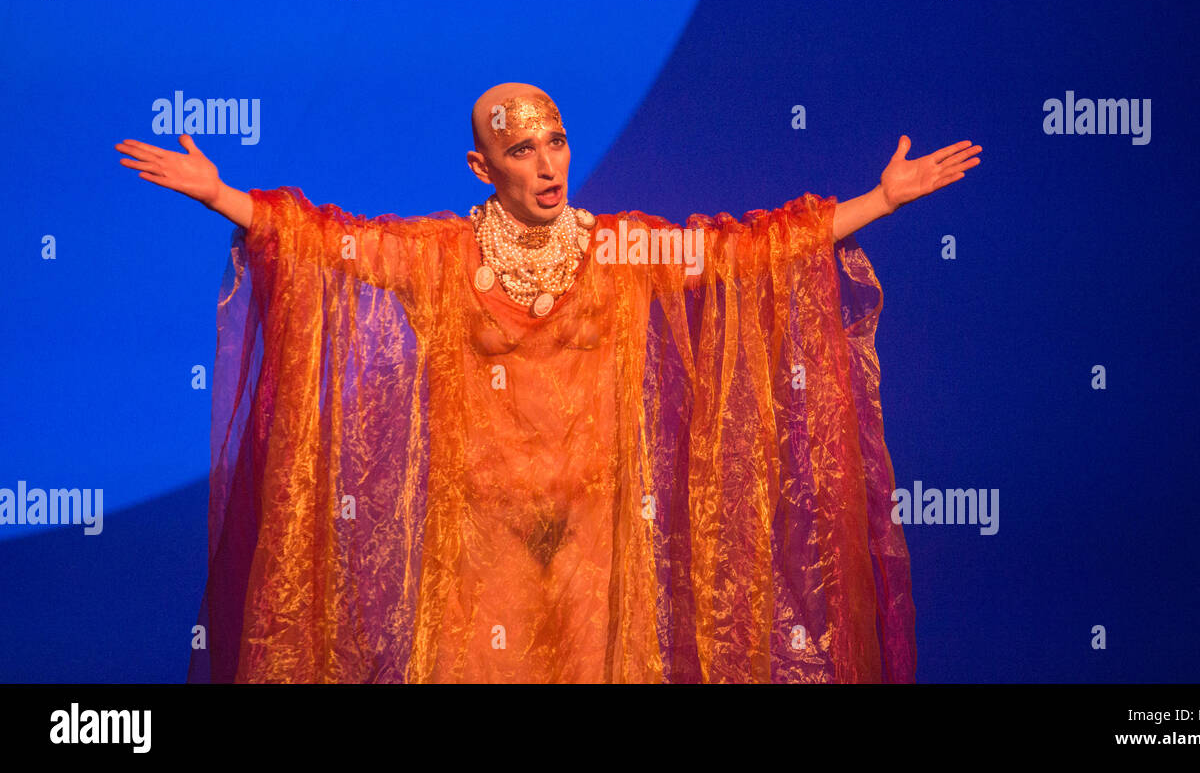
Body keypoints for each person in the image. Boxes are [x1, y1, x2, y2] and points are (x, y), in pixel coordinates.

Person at [115, 82, 980, 683]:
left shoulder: (621, 249)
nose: (546, 163)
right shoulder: (441, 258)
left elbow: (744, 254)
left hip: (601, 551)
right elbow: (324, 241)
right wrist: (225, 196)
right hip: (478, 554)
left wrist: (879, 199)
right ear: (480, 167)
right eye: (519, 149)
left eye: (556, 141)